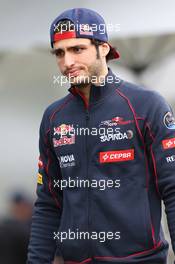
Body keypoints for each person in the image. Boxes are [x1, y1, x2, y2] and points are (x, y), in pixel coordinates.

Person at [27, 8, 175, 264]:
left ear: (103, 48)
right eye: (59, 53)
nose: (67, 62)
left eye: (77, 49)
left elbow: (172, 190)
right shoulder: (53, 118)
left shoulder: (146, 106)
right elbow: (48, 204)